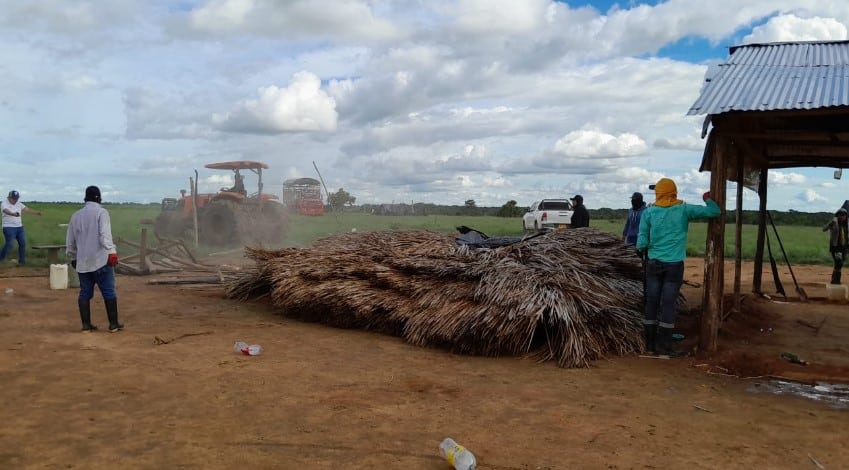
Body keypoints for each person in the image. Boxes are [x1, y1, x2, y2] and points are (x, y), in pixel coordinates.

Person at [636, 178, 721, 356]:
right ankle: (665, 347)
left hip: (653, 263)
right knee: (668, 304)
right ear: (673, 191)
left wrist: (642, 249)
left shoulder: (649, 212)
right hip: (674, 265)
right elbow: (714, 212)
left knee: (651, 302)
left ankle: (649, 346)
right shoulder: (684, 209)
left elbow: (642, 241)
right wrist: (707, 198)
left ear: (659, 192)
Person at [66, 186, 123, 333]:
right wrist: (112, 251)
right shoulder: (101, 212)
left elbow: (70, 241)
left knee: (85, 293)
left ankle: (86, 325)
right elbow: (104, 236)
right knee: (109, 292)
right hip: (101, 260)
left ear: (86, 198)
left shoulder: (76, 215)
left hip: (82, 262)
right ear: (99, 198)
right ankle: (113, 324)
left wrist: (73, 256)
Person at [1, 190, 43, 265]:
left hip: (19, 227)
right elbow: (6, 211)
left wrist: (36, 213)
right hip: (9, 227)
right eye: (14, 198)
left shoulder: (18, 204)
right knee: (9, 244)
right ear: (9, 197)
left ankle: (22, 262)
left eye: (17, 198)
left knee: (22, 243)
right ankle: (1, 259)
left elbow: (26, 209)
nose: (15, 200)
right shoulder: (4, 203)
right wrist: (13, 214)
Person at [822, 208, 848, 284]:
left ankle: (836, 281)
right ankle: (835, 281)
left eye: (844, 215)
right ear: (837, 216)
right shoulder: (834, 223)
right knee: (838, 263)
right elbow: (824, 229)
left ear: (846, 216)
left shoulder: (847, 224)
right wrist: (830, 223)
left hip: (844, 248)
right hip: (836, 247)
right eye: (840, 215)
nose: (842, 217)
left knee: (840, 264)